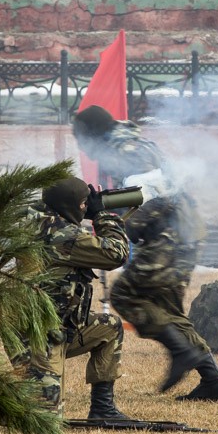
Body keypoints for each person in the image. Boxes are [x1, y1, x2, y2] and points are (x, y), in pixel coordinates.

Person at [27, 175, 135, 419]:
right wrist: (102, 216)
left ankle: (103, 409)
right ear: (68, 205)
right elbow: (117, 254)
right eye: (83, 204)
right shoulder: (62, 235)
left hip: (62, 328)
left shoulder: (43, 219)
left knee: (109, 327)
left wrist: (84, 209)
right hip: (37, 338)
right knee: (47, 419)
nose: (86, 208)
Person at [110, 191, 218, 402]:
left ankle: (180, 351)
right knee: (170, 313)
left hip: (165, 249)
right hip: (186, 251)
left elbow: (132, 230)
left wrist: (111, 220)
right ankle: (214, 379)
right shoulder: (180, 204)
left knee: (122, 295)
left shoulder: (156, 202)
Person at [71, 104, 167, 189]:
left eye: (81, 140)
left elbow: (149, 196)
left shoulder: (127, 153)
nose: (80, 147)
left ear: (93, 136)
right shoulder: (109, 151)